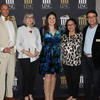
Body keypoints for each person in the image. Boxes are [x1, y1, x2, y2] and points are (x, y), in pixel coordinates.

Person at [16, 13, 42, 100]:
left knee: (32, 77)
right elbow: (18, 43)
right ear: (25, 19)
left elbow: (39, 43)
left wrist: (37, 52)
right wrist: (25, 51)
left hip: (35, 57)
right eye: (28, 18)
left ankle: (30, 93)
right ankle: (25, 95)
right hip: (24, 57)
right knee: (26, 76)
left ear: (33, 20)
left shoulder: (36, 30)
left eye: (31, 18)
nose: (30, 19)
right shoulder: (20, 29)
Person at [39, 12, 63, 100]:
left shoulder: (60, 29)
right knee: (48, 76)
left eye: (53, 18)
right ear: (47, 20)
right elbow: (39, 43)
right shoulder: (43, 30)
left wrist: (61, 58)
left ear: (56, 20)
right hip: (46, 57)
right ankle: (47, 97)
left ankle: (51, 96)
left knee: (54, 76)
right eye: (50, 18)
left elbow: (61, 44)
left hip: (56, 56)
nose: (52, 20)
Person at [61, 18, 83, 100]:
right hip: (66, 62)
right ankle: (71, 95)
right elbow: (61, 49)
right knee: (69, 81)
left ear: (75, 25)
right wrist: (61, 60)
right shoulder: (64, 36)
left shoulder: (80, 35)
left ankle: (75, 96)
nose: (70, 26)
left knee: (75, 81)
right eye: (68, 25)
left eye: (72, 24)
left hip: (76, 63)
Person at [82, 10, 100, 100]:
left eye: (93, 16)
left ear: (96, 17)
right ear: (87, 19)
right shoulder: (85, 29)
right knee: (86, 82)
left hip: (96, 60)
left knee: (97, 82)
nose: (91, 19)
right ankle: (88, 98)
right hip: (85, 59)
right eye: (89, 17)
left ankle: (96, 97)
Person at [0, 3, 17, 100]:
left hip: (12, 52)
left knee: (11, 75)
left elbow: (14, 35)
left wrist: (14, 47)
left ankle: (9, 96)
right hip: (2, 53)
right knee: (1, 78)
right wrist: (2, 49)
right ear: (0, 10)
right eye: (3, 9)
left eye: (7, 9)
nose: (5, 11)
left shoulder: (12, 20)